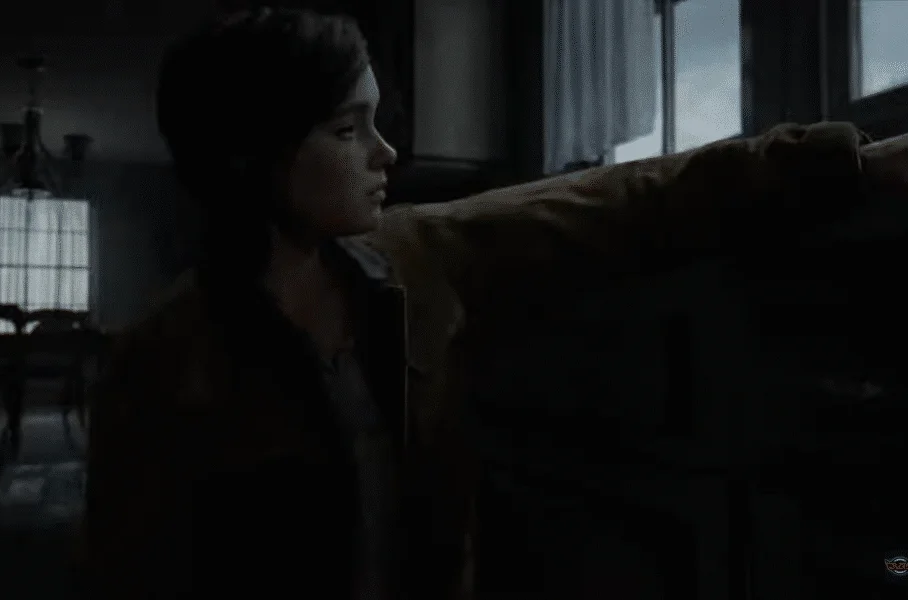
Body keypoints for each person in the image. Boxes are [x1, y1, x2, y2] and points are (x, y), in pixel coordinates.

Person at [83, 6, 908, 600]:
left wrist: (847, 164)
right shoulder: (162, 361)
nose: (387, 151)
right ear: (250, 156)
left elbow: (612, 200)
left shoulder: (410, 255)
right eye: (347, 129)